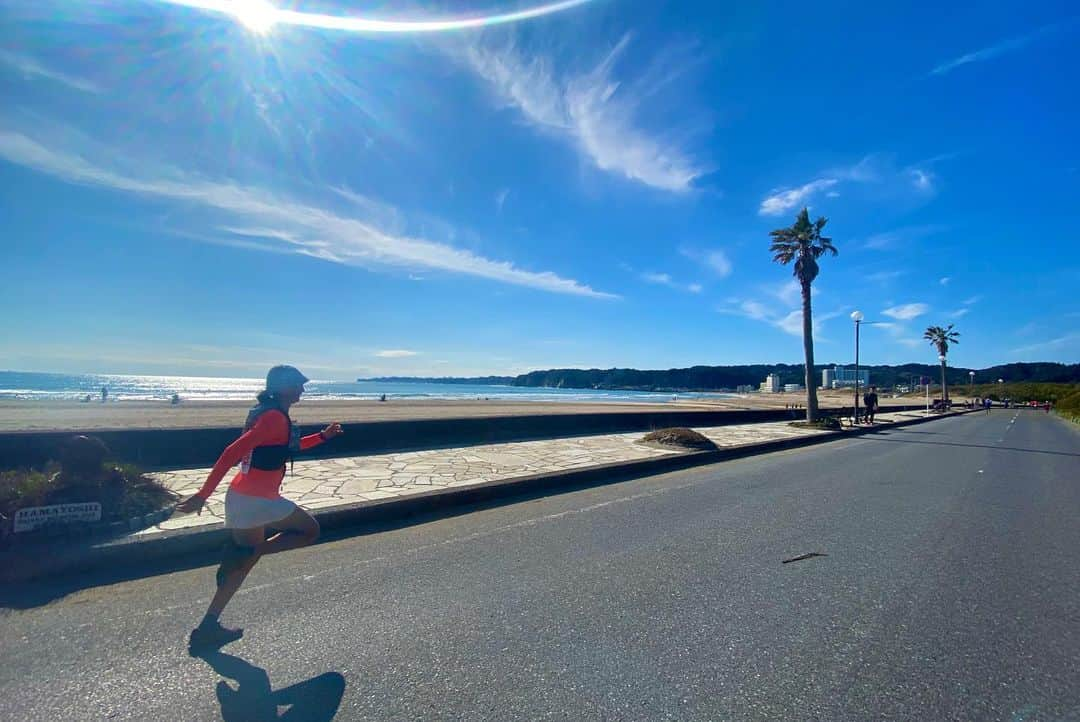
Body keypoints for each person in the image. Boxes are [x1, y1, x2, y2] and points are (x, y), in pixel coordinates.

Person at [176, 365, 343, 652]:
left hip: (245, 498)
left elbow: (289, 447)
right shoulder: (272, 417)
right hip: (257, 501)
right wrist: (202, 495)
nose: (302, 390)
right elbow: (231, 453)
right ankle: (248, 553)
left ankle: (208, 627)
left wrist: (323, 437)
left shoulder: (270, 414)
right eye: (298, 385)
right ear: (283, 388)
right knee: (309, 530)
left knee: (242, 567)